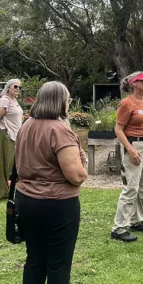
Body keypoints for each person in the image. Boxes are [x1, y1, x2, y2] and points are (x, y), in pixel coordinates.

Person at [15, 81, 88, 284]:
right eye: (68, 100)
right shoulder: (59, 130)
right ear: (61, 101)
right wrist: (83, 165)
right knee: (58, 265)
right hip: (57, 204)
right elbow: (76, 176)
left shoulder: (26, 125)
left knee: (35, 260)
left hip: (26, 199)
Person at [111, 71, 143, 242]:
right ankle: (119, 228)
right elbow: (118, 129)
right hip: (135, 147)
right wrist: (130, 149)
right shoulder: (126, 103)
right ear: (134, 84)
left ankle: (136, 220)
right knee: (131, 188)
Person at [0, 79, 23, 198]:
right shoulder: (5, 100)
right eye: (15, 86)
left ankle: (8, 188)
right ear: (8, 87)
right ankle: (2, 191)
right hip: (6, 134)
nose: (18, 89)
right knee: (4, 163)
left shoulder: (15, 101)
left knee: (13, 164)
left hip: (15, 135)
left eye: (20, 87)